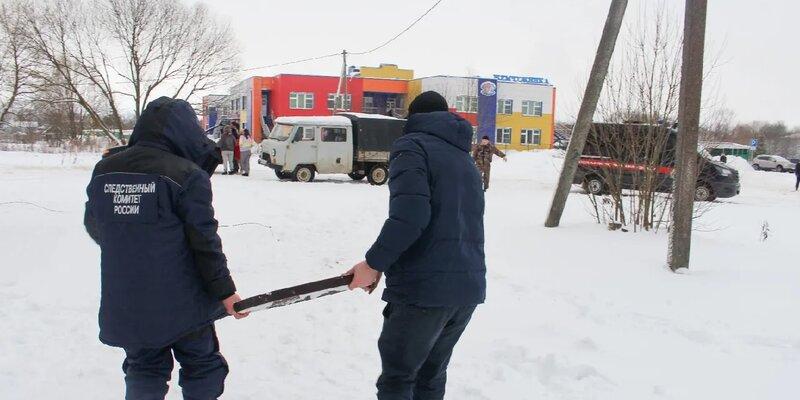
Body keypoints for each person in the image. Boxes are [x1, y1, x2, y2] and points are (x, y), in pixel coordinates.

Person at [83, 97, 249, 400]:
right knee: (202, 366)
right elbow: (205, 243)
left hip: (128, 298)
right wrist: (225, 292)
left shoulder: (105, 170)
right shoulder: (186, 174)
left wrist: (131, 248)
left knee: (144, 368)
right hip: (184, 302)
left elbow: (95, 224)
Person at [347, 91, 486, 400]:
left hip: (424, 290)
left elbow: (411, 216)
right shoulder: (464, 159)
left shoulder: (412, 146)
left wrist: (373, 264)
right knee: (430, 376)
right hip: (466, 289)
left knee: (399, 379)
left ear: (413, 118)